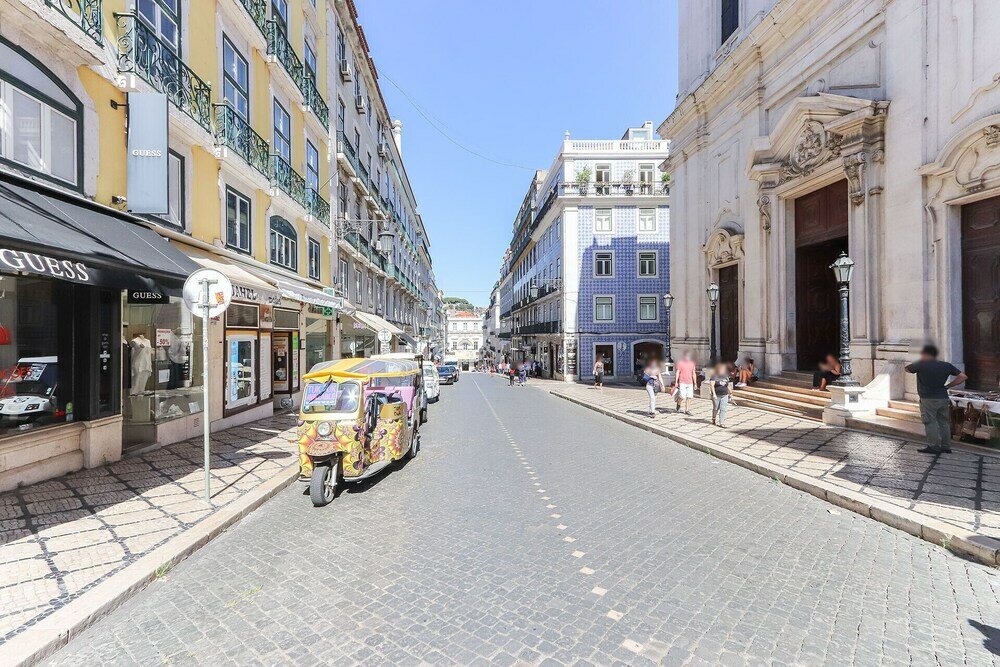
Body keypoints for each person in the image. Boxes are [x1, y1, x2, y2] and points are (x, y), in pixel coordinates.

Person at [905, 344, 967, 454]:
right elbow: (963, 376)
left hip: (928, 398)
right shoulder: (946, 365)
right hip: (943, 397)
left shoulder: (921, 364)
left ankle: (933, 446)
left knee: (930, 422)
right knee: (944, 422)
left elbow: (907, 369)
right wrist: (949, 385)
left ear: (924, 354)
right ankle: (946, 446)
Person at [709, 362, 732, 427]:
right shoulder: (714, 376)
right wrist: (714, 394)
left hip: (725, 394)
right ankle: (713, 418)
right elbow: (712, 385)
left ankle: (721, 422)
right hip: (716, 395)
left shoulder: (726, 376)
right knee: (716, 408)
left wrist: (730, 393)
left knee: (723, 408)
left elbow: (728, 385)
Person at [674, 351, 697, 415]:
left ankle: (687, 410)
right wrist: (676, 382)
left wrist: (695, 383)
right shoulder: (680, 363)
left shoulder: (692, 363)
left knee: (689, 396)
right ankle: (678, 404)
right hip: (682, 381)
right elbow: (677, 372)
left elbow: (693, 373)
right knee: (682, 396)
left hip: (690, 382)